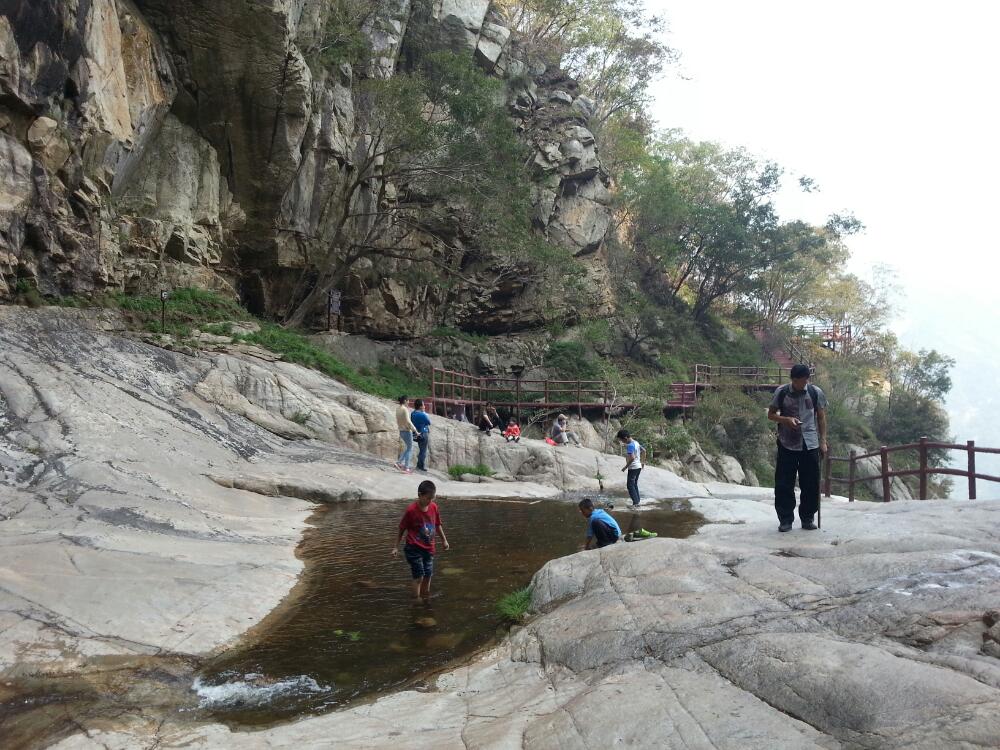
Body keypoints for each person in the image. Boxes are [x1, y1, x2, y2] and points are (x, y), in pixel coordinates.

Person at [767, 363, 828, 532]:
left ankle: (807, 518)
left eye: (806, 380)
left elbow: (821, 418)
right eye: (801, 380)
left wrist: (823, 441)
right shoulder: (782, 392)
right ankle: (785, 519)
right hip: (787, 443)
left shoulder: (815, 392)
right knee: (784, 483)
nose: (805, 383)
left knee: (811, 483)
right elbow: (770, 415)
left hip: (810, 444)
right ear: (793, 379)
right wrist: (786, 420)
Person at [391, 480, 449, 602]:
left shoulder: (433, 507)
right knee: (419, 577)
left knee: (428, 575)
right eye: (428, 498)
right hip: (413, 548)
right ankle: (416, 600)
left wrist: (444, 540)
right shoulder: (411, 510)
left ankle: (425, 597)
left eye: (432, 498)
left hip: (429, 548)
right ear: (419, 495)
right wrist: (396, 547)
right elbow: (402, 528)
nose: (430, 501)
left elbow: (438, 525)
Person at [617, 429, 644, 507]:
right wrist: (642, 463)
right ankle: (637, 501)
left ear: (625, 438)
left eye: (622, 440)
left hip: (633, 467)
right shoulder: (636, 442)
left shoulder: (630, 445)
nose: (622, 442)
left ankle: (636, 504)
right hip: (638, 466)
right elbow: (644, 451)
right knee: (634, 484)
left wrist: (625, 467)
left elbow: (632, 458)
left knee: (630, 485)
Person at [394, 395, 417, 473]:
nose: (409, 402)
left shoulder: (397, 409)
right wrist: (415, 430)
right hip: (407, 431)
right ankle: (406, 467)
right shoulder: (405, 409)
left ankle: (399, 462)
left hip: (401, 431)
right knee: (410, 448)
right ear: (404, 401)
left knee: (408, 448)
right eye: (408, 400)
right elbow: (408, 421)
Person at [411, 399, 432, 472]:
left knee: (421, 449)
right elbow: (429, 422)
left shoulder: (413, 413)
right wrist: (425, 414)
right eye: (423, 405)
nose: (424, 406)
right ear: (420, 406)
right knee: (423, 451)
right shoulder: (422, 414)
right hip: (423, 433)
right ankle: (421, 466)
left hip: (416, 433)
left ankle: (419, 464)